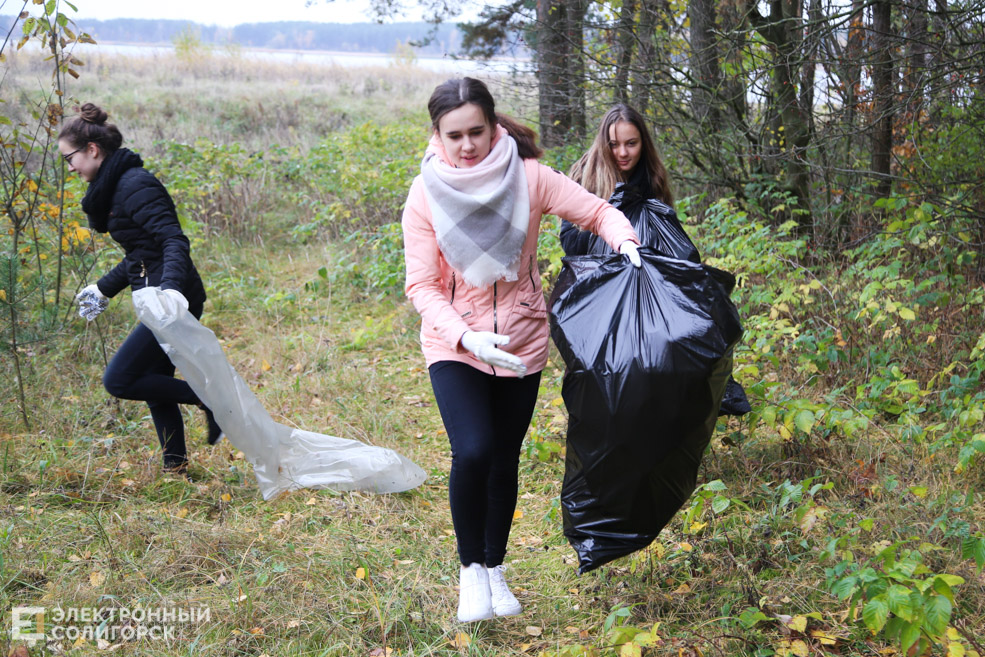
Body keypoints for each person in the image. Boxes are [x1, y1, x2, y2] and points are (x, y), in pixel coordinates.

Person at [402, 78, 641, 623]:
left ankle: (495, 568)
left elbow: (597, 213)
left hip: (522, 338)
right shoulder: (426, 193)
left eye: (477, 132)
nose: (467, 146)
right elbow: (422, 285)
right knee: (475, 450)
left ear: (494, 125)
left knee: (505, 456)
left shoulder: (529, 179)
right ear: (437, 134)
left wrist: (626, 241)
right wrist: (463, 334)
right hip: (454, 341)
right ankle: (470, 575)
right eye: (454, 135)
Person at [58, 103, 222, 474]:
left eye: (70, 158)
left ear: (92, 150)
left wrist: (172, 291)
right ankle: (175, 468)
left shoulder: (134, 185)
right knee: (155, 383)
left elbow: (173, 241)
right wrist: (104, 288)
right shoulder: (115, 187)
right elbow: (142, 252)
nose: (69, 167)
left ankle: (209, 398)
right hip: (158, 294)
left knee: (121, 379)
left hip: (170, 300)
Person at [563, 103, 751, 415]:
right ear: (603, 143)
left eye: (631, 143)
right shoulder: (585, 176)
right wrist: (611, 210)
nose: (623, 153)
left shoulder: (651, 175)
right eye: (614, 144)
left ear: (643, 143)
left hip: (646, 290)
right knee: (605, 373)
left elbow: (669, 240)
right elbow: (571, 243)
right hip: (599, 294)